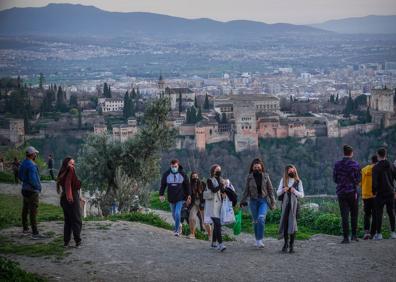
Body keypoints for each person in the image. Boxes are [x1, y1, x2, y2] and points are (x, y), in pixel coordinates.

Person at [240, 158, 276, 248]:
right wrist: (242, 201)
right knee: (256, 222)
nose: (257, 168)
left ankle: (260, 240)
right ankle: (257, 240)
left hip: (263, 200)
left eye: (258, 167)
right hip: (253, 201)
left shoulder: (266, 176)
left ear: (261, 167)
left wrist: (273, 202)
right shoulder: (249, 177)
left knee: (261, 219)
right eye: (255, 167)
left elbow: (270, 190)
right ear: (252, 168)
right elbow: (246, 190)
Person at [333, 145, 361, 244]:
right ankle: (354, 235)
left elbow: (335, 179)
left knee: (344, 216)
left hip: (341, 193)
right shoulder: (355, 165)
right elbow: (358, 179)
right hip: (352, 192)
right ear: (351, 153)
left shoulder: (337, 164)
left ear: (343, 153)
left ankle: (345, 238)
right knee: (354, 214)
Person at [159, 159, 191, 236]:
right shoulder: (166, 174)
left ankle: (176, 231)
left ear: (178, 165)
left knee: (177, 213)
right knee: (173, 215)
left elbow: (187, 185)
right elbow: (163, 185)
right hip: (171, 198)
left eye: (175, 166)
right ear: (170, 166)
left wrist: (189, 195)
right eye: (172, 166)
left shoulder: (182, 174)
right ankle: (179, 225)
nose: (174, 168)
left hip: (180, 197)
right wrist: (161, 194)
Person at [18, 146, 44, 239]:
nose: (36, 155)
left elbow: (20, 176)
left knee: (25, 209)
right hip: (32, 191)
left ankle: (25, 228)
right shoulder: (32, 165)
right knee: (33, 211)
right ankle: (35, 232)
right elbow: (33, 180)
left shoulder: (23, 163)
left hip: (24, 189)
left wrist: (25, 181)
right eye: (35, 153)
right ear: (32, 154)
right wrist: (38, 187)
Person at [277, 165, 304, 253]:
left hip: (295, 206)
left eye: (293, 171)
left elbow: (302, 195)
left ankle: (292, 245)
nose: (292, 172)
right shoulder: (283, 180)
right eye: (290, 171)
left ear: (295, 171)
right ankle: (285, 243)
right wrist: (283, 190)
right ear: (287, 172)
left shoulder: (298, 181)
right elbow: (277, 193)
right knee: (285, 223)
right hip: (285, 205)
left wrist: (294, 191)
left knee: (293, 224)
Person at [57, 157, 83, 247]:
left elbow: (66, 184)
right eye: (71, 163)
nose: (73, 165)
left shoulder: (62, 172)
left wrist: (78, 197)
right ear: (67, 164)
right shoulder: (71, 170)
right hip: (70, 197)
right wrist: (70, 196)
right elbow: (68, 184)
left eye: (73, 164)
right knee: (76, 220)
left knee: (68, 221)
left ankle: (66, 242)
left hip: (64, 198)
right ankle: (78, 241)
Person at [372, 148, 396, 240]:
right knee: (391, 213)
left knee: (379, 213)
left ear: (378, 155)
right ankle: (393, 233)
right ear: (385, 155)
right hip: (390, 192)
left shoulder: (375, 167)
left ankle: (379, 234)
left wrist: (374, 192)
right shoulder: (391, 166)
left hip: (380, 194)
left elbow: (374, 183)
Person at [205, 164, 226, 252]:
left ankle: (213, 243)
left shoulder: (221, 180)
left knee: (216, 224)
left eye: (219, 170)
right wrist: (221, 185)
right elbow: (213, 190)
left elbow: (222, 191)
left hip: (219, 205)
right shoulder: (209, 180)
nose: (218, 171)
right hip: (212, 205)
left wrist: (224, 188)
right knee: (218, 224)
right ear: (213, 171)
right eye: (217, 170)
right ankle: (220, 244)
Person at [360, 155, 378, 240]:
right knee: (375, 215)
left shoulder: (364, 170)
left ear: (371, 161)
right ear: (377, 161)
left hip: (365, 195)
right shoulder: (378, 170)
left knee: (367, 215)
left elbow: (360, 183)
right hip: (375, 195)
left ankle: (366, 232)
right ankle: (373, 234)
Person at [188, 171, 210, 239]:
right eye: (193, 177)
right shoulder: (189, 185)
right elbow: (188, 194)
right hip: (194, 203)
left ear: (198, 177)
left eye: (196, 176)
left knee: (205, 220)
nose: (195, 178)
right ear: (191, 178)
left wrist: (205, 202)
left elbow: (206, 194)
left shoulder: (202, 184)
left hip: (202, 203)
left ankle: (210, 235)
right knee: (192, 218)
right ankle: (192, 234)